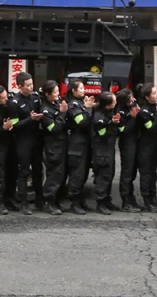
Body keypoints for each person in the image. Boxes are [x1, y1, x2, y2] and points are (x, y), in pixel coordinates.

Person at [7, 72, 43, 215]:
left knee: (38, 170)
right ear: (19, 86)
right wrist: (30, 119)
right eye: (28, 85)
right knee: (24, 171)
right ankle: (23, 203)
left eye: (32, 84)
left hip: (36, 138)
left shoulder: (35, 97)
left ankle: (40, 201)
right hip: (23, 140)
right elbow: (14, 125)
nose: (31, 87)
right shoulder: (14, 103)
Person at [137, 83, 157, 212]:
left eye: (156, 93)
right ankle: (146, 201)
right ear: (146, 97)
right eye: (154, 94)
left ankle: (154, 197)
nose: (156, 96)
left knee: (153, 172)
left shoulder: (156, 107)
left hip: (154, 144)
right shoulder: (143, 111)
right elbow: (152, 128)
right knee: (146, 173)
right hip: (144, 145)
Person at [66, 79, 94, 215]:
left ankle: (80, 200)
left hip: (85, 143)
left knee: (83, 174)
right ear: (73, 91)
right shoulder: (72, 105)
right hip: (76, 144)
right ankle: (74, 203)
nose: (84, 90)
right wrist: (88, 108)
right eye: (81, 88)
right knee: (77, 174)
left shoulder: (81, 103)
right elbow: (81, 122)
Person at [40, 80, 68, 215]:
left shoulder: (56, 104)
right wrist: (62, 113)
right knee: (54, 175)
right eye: (55, 92)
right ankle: (48, 202)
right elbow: (54, 129)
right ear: (47, 94)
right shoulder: (45, 110)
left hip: (62, 145)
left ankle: (55, 200)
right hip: (53, 147)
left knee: (60, 174)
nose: (58, 94)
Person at [92, 91, 121, 215]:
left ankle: (107, 200)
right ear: (107, 104)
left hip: (109, 149)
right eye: (114, 102)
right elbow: (102, 134)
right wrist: (112, 125)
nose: (116, 103)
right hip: (101, 151)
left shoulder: (109, 113)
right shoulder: (99, 117)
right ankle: (100, 203)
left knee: (109, 175)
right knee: (103, 177)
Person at [116, 89, 141, 213]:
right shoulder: (119, 113)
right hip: (127, 144)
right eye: (131, 99)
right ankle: (126, 201)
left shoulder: (134, 106)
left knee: (132, 173)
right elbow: (124, 131)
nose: (133, 100)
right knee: (127, 172)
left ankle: (131, 199)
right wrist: (132, 118)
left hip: (136, 142)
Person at [0, 84, 13, 215]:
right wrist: (3, 128)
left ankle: (9, 198)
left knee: (11, 172)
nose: (6, 99)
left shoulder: (7, 104)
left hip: (8, 143)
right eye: (3, 98)